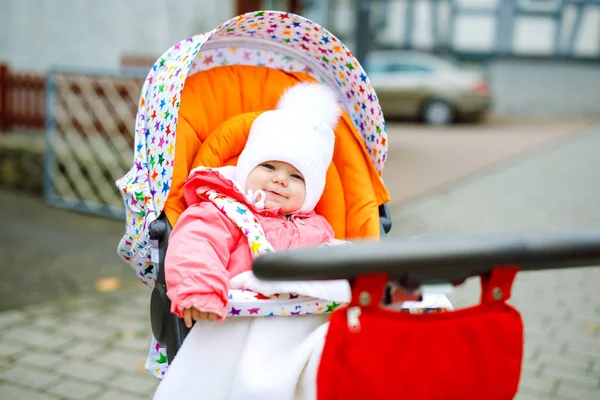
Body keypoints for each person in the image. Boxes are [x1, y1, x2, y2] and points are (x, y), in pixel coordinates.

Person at [164, 82, 348, 328]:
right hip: (236, 319)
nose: (280, 179)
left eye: (296, 177)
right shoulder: (222, 210)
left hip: (301, 321)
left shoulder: (318, 228)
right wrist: (199, 290)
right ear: (246, 168)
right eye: (269, 167)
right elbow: (195, 246)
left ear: (311, 193)